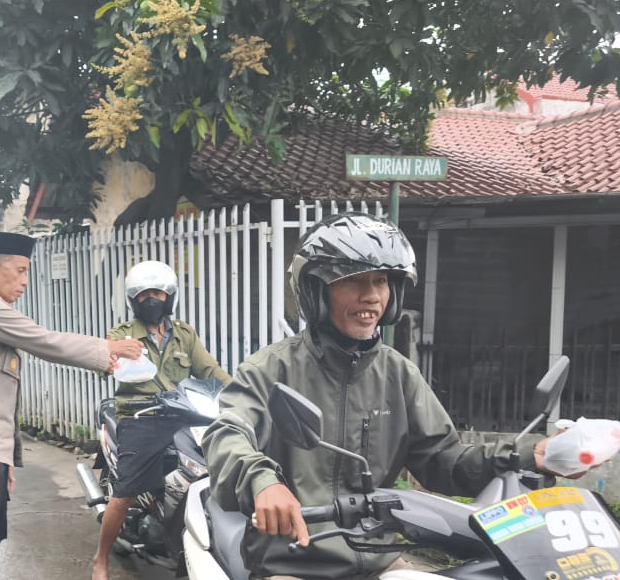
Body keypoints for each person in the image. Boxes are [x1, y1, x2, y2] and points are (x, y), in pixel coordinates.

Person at [202, 212, 584, 580]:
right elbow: (227, 434)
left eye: (381, 281)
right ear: (316, 290)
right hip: (296, 560)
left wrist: (531, 457)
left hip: (379, 560)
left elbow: (443, 459)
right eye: (354, 281)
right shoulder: (270, 369)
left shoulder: (399, 373)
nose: (372, 297)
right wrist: (263, 481)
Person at [0, 232, 142, 580]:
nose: (25, 281)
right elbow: (46, 341)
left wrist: (3, 457)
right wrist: (110, 348)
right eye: (20, 271)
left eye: (28, 272)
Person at [92, 260, 232, 580]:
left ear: (169, 296)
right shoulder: (122, 333)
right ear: (133, 300)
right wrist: (112, 356)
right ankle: (100, 559)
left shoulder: (184, 334)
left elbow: (210, 371)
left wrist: (239, 392)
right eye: (143, 295)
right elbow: (105, 360)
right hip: (141, 417)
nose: (151, 300)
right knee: (125, 490)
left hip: (184, 414)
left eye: (157, 293)